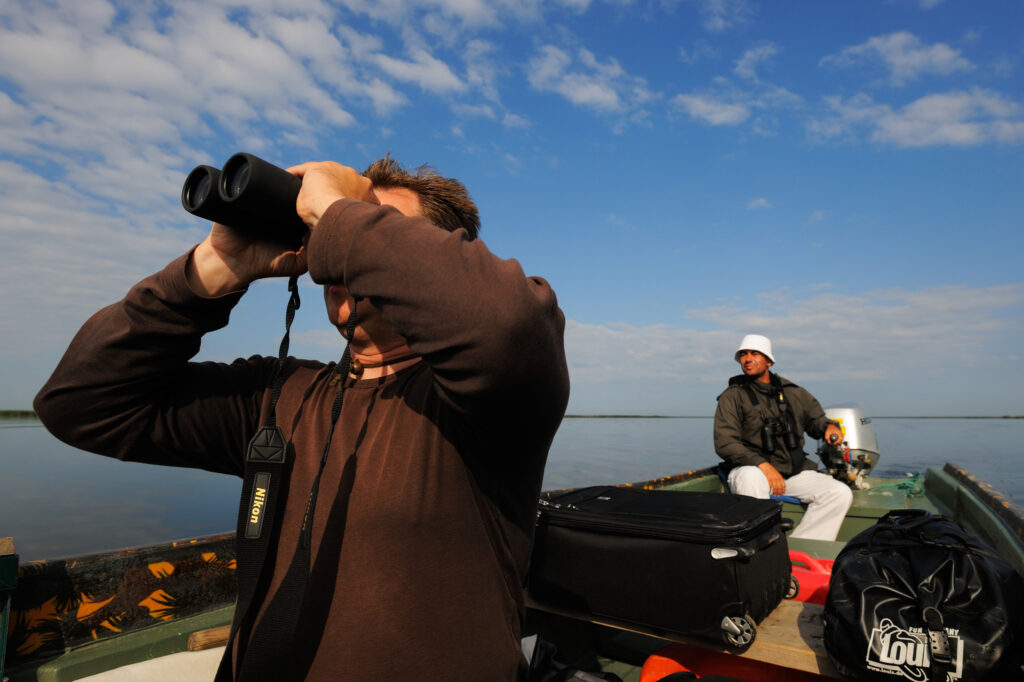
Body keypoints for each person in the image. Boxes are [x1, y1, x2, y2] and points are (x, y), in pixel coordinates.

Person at [34, 157, 570, 680]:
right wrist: (216, 268)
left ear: (440, 255)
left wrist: (338, 208)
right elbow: (81, 403)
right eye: (330, 229)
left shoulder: (494, 402)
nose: (338, 251)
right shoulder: (281, 394)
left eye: (376, 223)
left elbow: (505, 324)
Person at [713, 334, 852, 541]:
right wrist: (762, 465)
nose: (747, 359)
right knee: (751, 478)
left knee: (839, 493)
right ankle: (761, 549)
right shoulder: (732, 396)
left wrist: (829, 428)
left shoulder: (794, 393)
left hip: (791, 471)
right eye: (743, 355)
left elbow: (816, 420)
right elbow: (725, 443)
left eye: (754, 354)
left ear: (769, 361)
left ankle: (801, 546)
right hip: (753, 471)